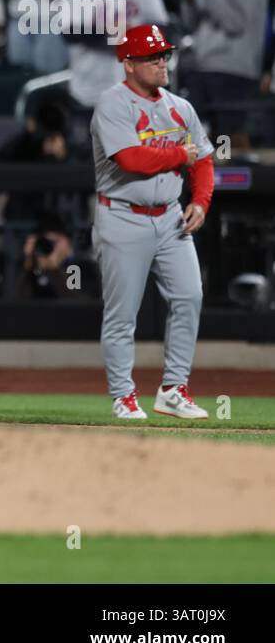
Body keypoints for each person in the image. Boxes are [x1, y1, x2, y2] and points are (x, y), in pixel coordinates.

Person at [90, 24, 212, 421]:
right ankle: (123, 395)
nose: (162, 62)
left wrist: (201, 201)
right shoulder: (113, 103)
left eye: (164, 55)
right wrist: (181, 155)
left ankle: (174, 389)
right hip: (123, 216)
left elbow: (205, 157)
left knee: (190, 297)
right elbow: (131, 159)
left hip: (171, 218)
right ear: (128, 64)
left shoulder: (180, 105)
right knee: (123, 314)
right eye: (152, 57)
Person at [181, 0, 269, 153]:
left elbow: (236, 24)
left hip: (234, 68)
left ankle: (240, 187)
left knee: (230, 139)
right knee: (198, 133)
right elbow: (194, 19)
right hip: (204, 63)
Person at [62, 0, 169, 111]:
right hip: (91, 86)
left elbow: (163, 29)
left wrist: (134, 34)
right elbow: (68, 32)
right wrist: (105, 31)